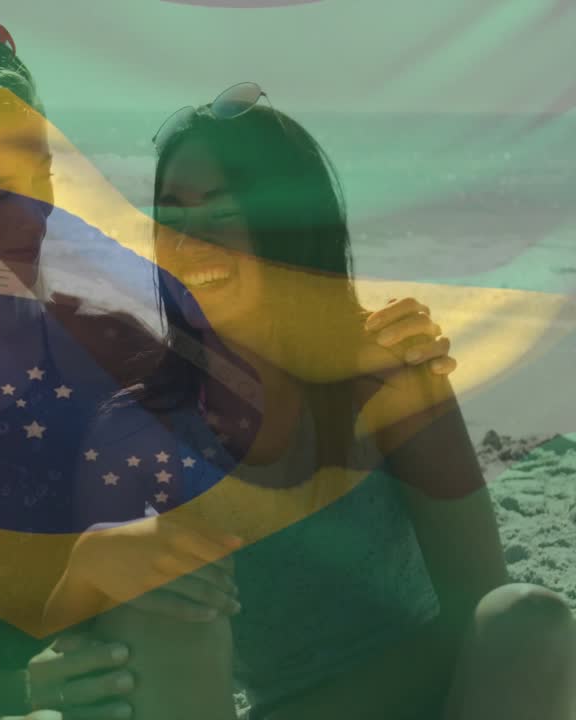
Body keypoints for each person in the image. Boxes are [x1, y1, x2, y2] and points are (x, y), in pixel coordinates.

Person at [0, 31, 461, 718]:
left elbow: (241, 342)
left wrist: (367, 344)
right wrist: (70, 601)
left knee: (168, 591)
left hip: (79, 676)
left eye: (44, 176)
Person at [52, 85, 576, 719]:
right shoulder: (141, 424)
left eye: (221, 212)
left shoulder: (388, 377)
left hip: (437, 698)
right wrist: (86, 562)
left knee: (530, 620)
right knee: (153, 598)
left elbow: (480, 606)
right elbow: (85, 641)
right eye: (172, 215)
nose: (190, 240)